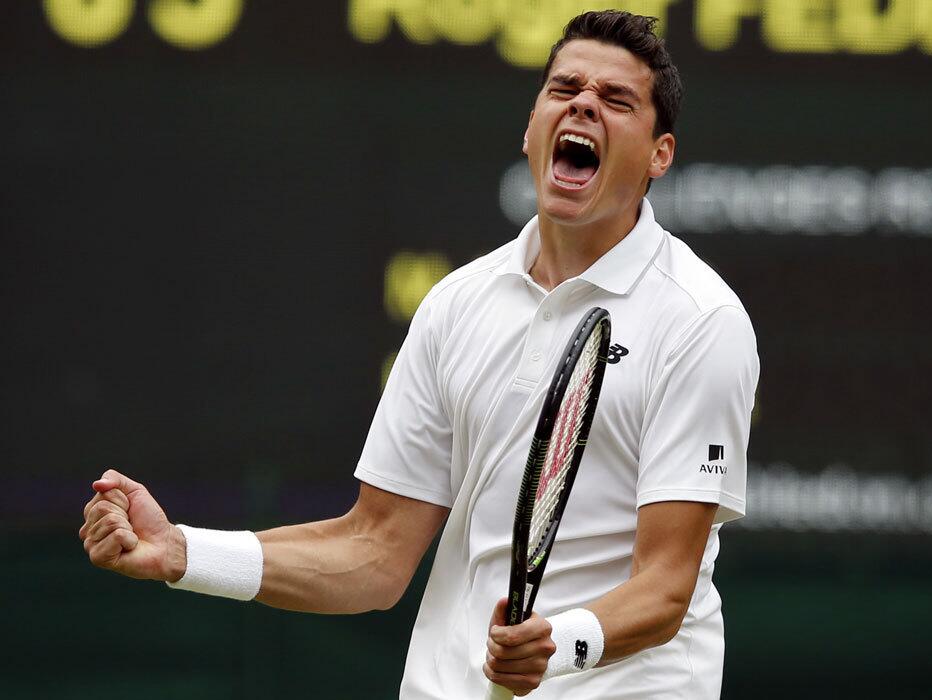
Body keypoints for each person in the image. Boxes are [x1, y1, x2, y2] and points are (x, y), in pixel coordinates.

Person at [79, 11, 758, 699]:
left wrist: (560, 643)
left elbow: (666, 586)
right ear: (530, 130)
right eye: (564, 89)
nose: (583, 102)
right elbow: (373, 552)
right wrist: (182, 553)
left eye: (617, 100)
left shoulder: (701, 321)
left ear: (659, 155)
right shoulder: (455, 305)